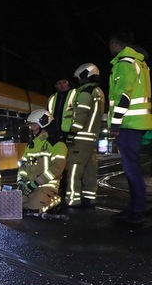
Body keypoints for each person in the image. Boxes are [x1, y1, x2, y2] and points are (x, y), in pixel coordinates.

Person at [107, 29, 152, 224]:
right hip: (137, 122)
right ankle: (134, 206)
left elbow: (124, 96)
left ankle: (137, 209)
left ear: (117, 44)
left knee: (131, 168)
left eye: (111, 44)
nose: (110, 48)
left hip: (128, 123)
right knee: (131, 166)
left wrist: (115, 123)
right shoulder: (140, 64)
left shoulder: (124, 64)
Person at [64, 63, 105, 208]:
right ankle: (89, 198)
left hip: (81, 138)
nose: (79, 81)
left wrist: (72, 133)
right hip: (92, 138)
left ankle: (73, 200)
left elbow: (81, 114)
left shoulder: (86, 92)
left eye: (79, 78)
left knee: (74, 169)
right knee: (90, 170)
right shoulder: (98, 91)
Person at [17, 109, 67, 213]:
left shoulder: (57, 144)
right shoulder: (31, 145)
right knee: (16, 207)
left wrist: (36, 183)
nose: (32, 128)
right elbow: (22, 166)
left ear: (43, 124)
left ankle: (57, 199)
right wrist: (20, 180)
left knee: (34, 209)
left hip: (48, 186)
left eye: (34, 125)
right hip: (30, 187)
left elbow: (56, 169)